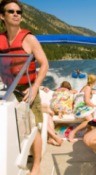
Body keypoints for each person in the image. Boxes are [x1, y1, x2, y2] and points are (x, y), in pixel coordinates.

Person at [0, 1, 49, 175]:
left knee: (33, 127)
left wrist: (36, 87)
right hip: (8, 91)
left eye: (18, 11)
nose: (16, 14)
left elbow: (44, 64)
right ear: (2, 16)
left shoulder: (29, 39)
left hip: (28, 90)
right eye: (11, 11)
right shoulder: (0, 40)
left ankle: (36, 167)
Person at [68, 74, 96, 142]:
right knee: (90, 121)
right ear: (95, 81)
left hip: (81, 107)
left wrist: (91, 92)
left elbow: (84, 94)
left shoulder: (86, 87)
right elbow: (87, 101)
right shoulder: (88, 88)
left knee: (92, 119)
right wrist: (95, 105)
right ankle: (73, 132)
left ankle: (88, 136)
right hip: (80, 108)